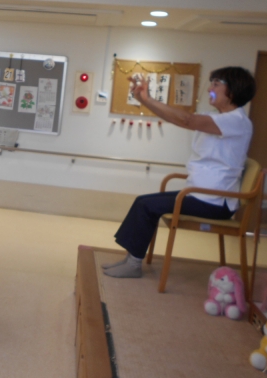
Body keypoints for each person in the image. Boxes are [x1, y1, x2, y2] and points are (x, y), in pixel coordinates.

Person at [103, 66, 256, 279]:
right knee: (142, 201)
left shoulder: (237, 121)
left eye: (216, 84)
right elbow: (179, 118)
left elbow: (187, 120)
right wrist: (145, 100)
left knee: (147, 206)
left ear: (234, 89)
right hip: (200, 194)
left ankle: (133, 264)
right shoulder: (217, 117)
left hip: (215, 201)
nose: (209, 88)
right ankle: (131, 258)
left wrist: (147, 99)